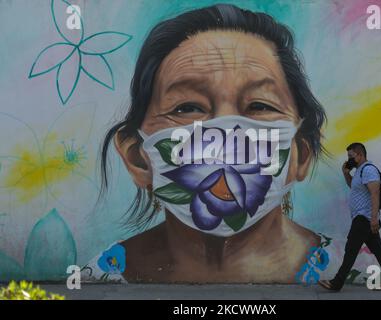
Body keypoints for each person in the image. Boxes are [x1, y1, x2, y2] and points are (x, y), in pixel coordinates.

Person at [81, 4, 328, 283]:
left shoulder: (348, 267)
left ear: (302, 153)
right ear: (137, 158)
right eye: (187, 107)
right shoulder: (98, 277)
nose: (226, 135)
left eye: (259, 105)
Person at [318, 143, 381, 291]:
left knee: (351, 250)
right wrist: (346, 173)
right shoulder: (360, 171)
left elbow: (375, 194)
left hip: (365, 218)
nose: (349, 159)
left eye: (351, 156)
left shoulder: (368, 170)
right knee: (379, 251)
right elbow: (353, 187)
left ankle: (336, 283)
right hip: (362, 218)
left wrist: (373, 218)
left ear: (360, 155)